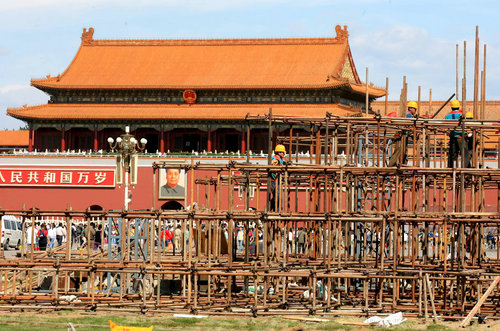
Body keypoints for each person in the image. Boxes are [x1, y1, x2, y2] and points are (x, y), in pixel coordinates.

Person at [388, 101, 417, 167]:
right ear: (412, 108)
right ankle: (391, 167)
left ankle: (402, 166)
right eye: (414, 109)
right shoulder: (408, 115)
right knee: (398, 152)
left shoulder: (410, 115)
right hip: (400, 136)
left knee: (404, 152)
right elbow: (408, 126)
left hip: (404, 136)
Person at [446, 100, 472, 168]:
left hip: (453, 137)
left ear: (451, 107)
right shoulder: (463, 114)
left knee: (452, 155)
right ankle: (466, 170)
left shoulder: (448, 115)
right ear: (458, 106)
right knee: (465, 155)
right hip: (462, 136)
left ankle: (451, 170)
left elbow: (447, 128)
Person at [269, 144, 286, 211]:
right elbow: (273, 162)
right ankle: (275, 209)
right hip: (273, 180)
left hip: (277, 180)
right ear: (279, 152)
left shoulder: (280, 159)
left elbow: (282, 163)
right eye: (283, 152)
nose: (284, 154)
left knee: (278, 197)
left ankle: (276, 209)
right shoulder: (275, 158)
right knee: (278, 197)